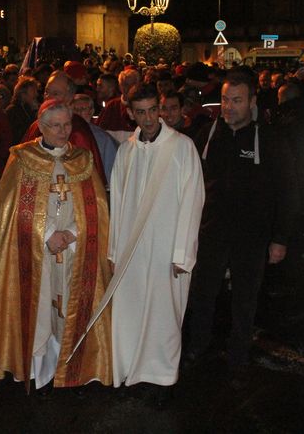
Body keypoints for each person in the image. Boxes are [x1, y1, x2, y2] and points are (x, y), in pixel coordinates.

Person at [0, 99, 112, 394]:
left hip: (73, 250)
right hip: (36, 251)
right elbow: (10, 209)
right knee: (40, 309)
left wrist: (71, 233)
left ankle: (71, 368)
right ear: (41, 127)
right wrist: (47, 235)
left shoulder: (82, 159)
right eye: (56, 125)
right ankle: (39, 372)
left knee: (70, 308)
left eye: (67, 124)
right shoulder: (22, 159)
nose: (63, 131)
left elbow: (97, 207)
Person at [184, 68, 297, 387]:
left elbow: (288, 191)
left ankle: (238, 353)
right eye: (224, 100)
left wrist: (280, 238)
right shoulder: (206, 135)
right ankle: (198, 346)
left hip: (252, 236)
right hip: (211, 232)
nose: (229, 106)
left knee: (245, 298)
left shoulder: (270, 139)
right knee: (203, 294)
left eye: (236, 100)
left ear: (252, 101)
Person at [108, 83, 204, 408]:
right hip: (132, 250)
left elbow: (193, 201)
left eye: (153, 110)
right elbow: (118, 202)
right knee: (131, 310)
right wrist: (113, 251)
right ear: (131, 112)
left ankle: (162, 377)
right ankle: (132, 370)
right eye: (141, 112)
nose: (148, 119)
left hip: (167, 248)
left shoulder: (182, 147)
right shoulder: (127, 151)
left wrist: (182, 254)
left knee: (164, 315)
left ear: (160, 109)